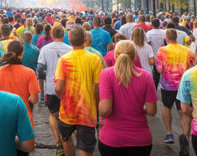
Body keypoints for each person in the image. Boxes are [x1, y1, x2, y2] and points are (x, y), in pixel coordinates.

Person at [98, 40, 158, 156]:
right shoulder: (145, 76)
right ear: (135, 55)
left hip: (112, 139)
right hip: (140, 140)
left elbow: (105, 110)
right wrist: (138, 107)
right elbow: (152, 111)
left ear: (115, 55)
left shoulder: (106, 74)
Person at [55, 26, 102, 156]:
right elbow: (97, 87)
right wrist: (96, 105)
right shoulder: (94, 59)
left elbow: (58, 87)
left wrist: (63, 98)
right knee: (85, 146)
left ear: (69, 40)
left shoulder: (64, 60)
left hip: (67, 109)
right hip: (87, 111)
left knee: (66, 139)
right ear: (85, 39)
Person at [37, 25, 73, 155]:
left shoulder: (45, 49)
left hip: (51, 87)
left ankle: (59, 142)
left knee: (53, 114)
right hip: (68, 87)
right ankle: (68, 140)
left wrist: (43, 82)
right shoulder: (70, 49)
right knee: (68, 113)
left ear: (53, 35)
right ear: (63, 35)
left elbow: (40, 69)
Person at [156, 29, 194, 148]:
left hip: (167, 85)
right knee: (184, 111)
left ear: (166, 38)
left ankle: (169, 133)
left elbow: (159, 70)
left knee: (166, 107)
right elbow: (192, 68)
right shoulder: (187, 51)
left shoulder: (161, 51)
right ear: (176, 37)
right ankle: (186, 137)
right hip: (184, 86)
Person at [0, 41, 40, 131]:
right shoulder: (29, 73)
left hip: (4, 117)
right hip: (24, 116)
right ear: (21, 54)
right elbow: (34, 99)